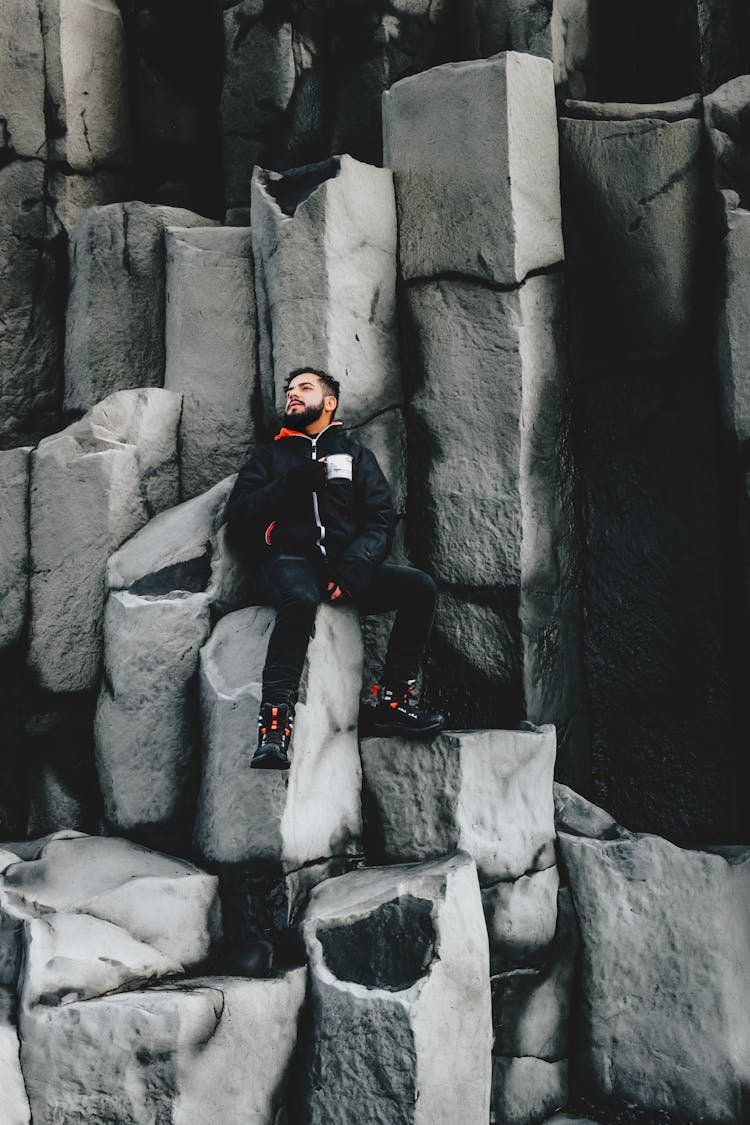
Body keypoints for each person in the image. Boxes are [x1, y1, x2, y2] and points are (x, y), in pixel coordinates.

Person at [226, 367, 444, 769]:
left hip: (346, 566)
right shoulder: (269, 456)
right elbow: (239, 517)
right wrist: (289, 484)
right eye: (289, 390)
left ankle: (393, 704)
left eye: (304, 388)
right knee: (300, 598)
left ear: (329, 402)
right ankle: (274, 729)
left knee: (420, 588)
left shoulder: (357, 457)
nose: (292, 395)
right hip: (289, 562)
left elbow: (380, 519)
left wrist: (355, 567)